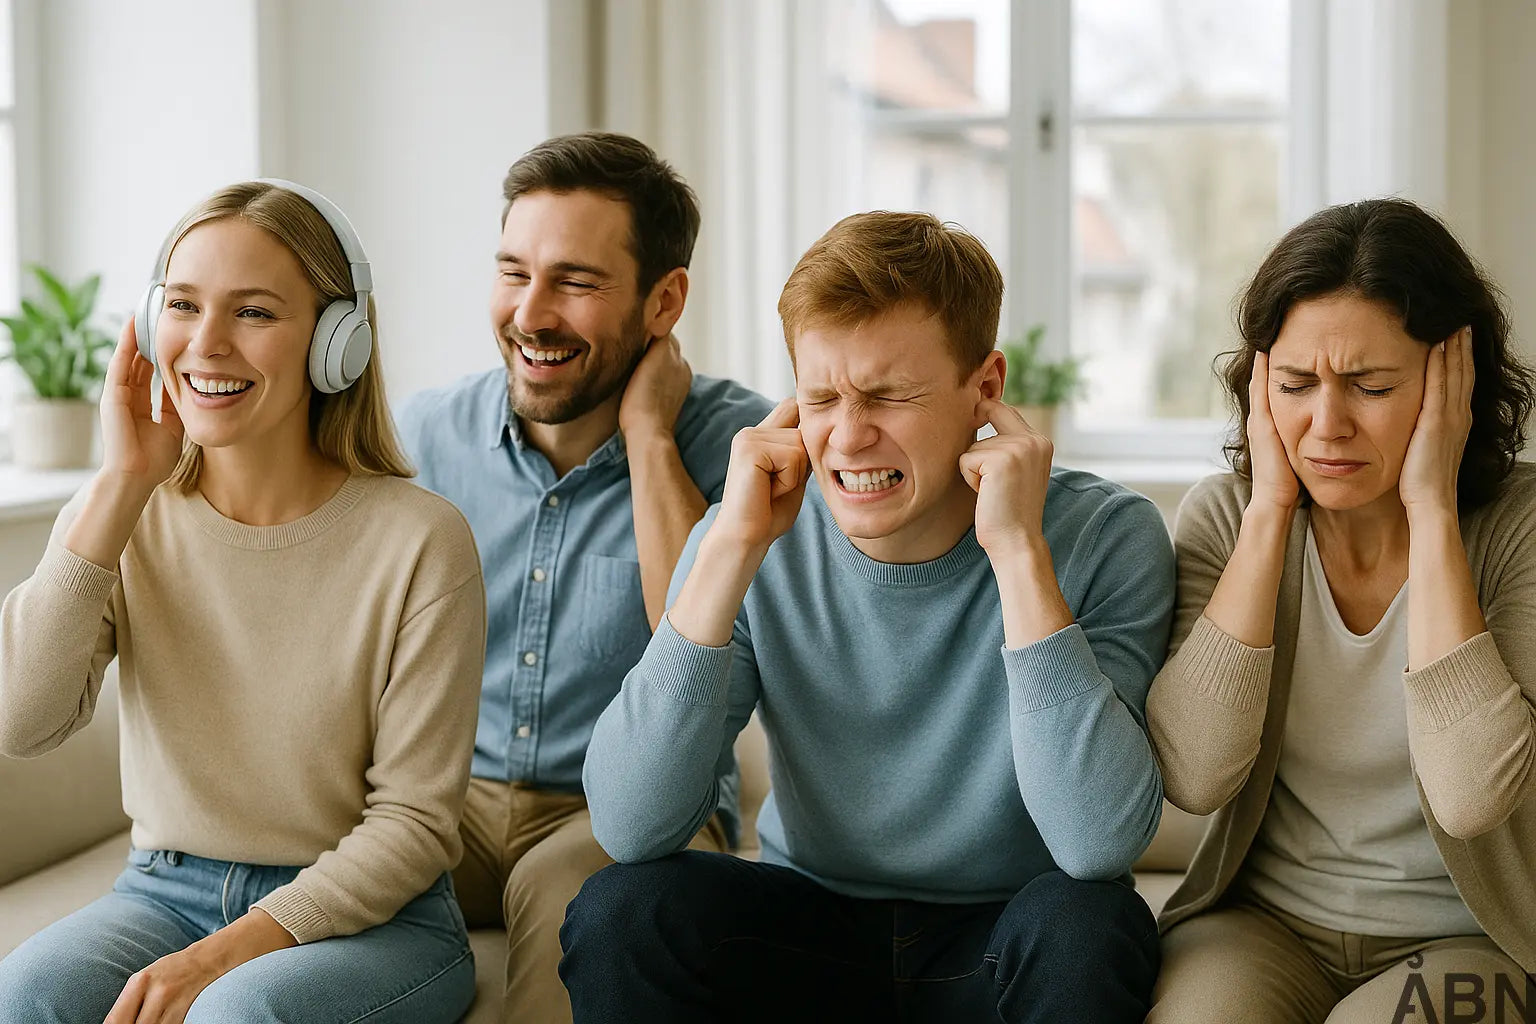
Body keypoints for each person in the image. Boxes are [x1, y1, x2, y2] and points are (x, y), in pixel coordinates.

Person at [559, 211, 1176, 1024]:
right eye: (822, 397)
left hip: (1002, 940)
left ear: (985, 388)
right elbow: (632, 826)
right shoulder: (749, 531)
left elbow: (1097, 843)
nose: (847, 437)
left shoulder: (1106, 536)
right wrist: (729, 548)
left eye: (889, 395)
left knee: (1091, 926)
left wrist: (1019, 553)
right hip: (805, 929)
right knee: (620, 910)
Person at [0, 180, 485, 1024]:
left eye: (254, 313)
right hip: (162, 891)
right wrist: (118, 485)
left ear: (338, 344)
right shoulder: (124, 513)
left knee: (237, 1015)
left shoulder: (422, 541)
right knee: (27, 995)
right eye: (184, 305)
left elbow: (413, 824)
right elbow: (22, 721)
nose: (207, 344)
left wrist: (223, 957)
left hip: (373, 922)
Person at [395, 132, 771, 1022]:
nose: (531, 313)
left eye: (575, 281)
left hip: (626, 815)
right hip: (448, 799)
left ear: (663, 300)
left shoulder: (743, 448)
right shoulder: (425, 436)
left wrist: (649, 439)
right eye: (514, 272)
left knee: (573, 902)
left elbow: (697, 632)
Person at [1145, 197, 1536, 1023]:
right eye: (1294, 385)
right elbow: (1194, 774)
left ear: (1451, 382)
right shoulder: (1223, 519)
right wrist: (1266, 515)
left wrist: (1430, 506)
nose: (1327, 425)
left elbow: (1471, 796)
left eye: (1372, 386)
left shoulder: (1519, 529)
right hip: (1260, 927)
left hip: (1465, 937)